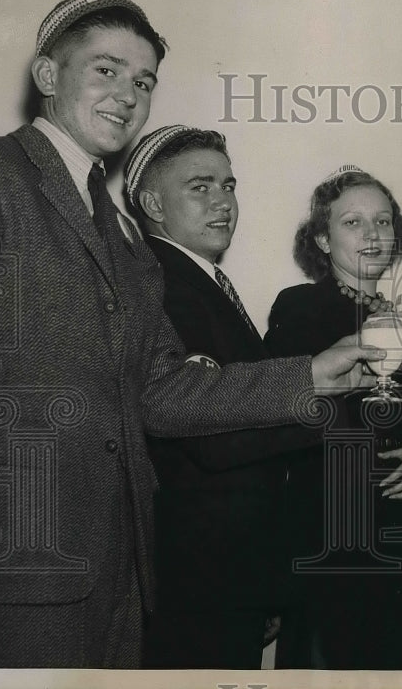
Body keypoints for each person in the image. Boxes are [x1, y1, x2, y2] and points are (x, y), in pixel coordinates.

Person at [0, 0, 378, 668]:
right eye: (106, 70)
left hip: (121, 575)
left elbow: (162, 390)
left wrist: (310, 374)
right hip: (14, 568)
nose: (128, 94)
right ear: (47, 76)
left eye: (144, 81)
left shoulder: (125, 236)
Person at [123, 125, 317, 667]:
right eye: (200, 187)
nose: (223, 203)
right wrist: (325, 402)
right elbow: (211, 439)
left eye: (228, 186)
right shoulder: (162, 282)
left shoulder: (201, 282)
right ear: (152, 204)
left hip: (231, 572)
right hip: (199, 578)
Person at [264, 165, 402, 670]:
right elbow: (281, 421)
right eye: (353, 222)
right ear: (322, 237)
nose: (372, 234)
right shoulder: (299, 306)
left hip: (399, 527)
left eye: (383, 222)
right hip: (329, 532)